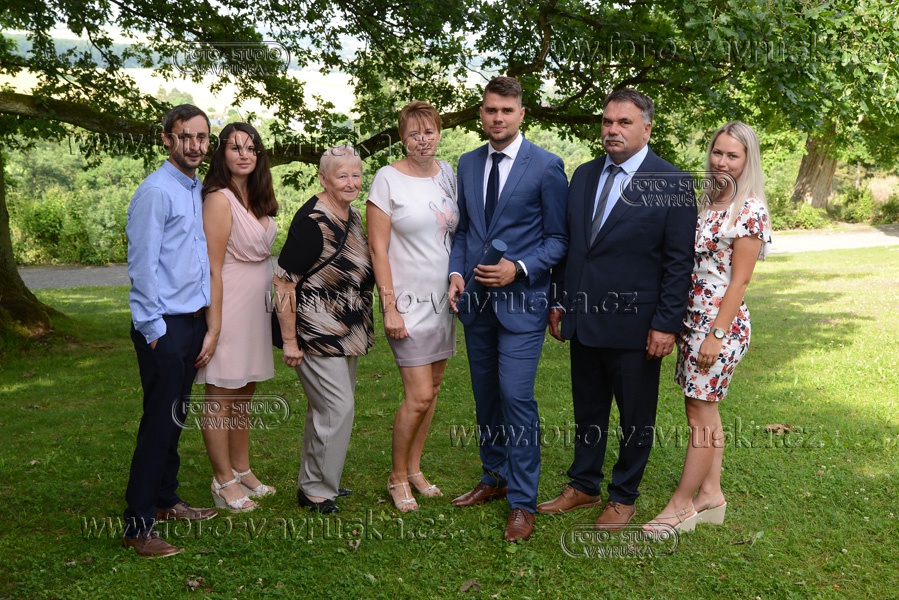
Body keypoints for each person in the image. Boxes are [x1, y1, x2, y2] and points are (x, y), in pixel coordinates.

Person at [539, 89, 696, 531]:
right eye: (607, 122)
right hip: (584, 318)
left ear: (647, 128)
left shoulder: (672, 182)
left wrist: (666, 324)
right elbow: (572, 246)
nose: (612, 130)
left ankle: (624, 496)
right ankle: (583, 485)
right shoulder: (584, 175)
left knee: (635, 417)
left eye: (624, 122)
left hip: (637, 326)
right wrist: (559, 298)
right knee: (588, 409)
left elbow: (678, 262)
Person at [447, 76, 569, 542]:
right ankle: (493, 475)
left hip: (522, 304)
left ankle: (522, 501)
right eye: (490, 110)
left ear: (521, 114)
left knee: (516, 397)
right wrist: (456, 273)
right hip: (475, 304)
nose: (497, 118)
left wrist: (518, 268)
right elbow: (464, 232)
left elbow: (558, 240)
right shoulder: (467, 163)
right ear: (482, 113)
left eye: (506, 110)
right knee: (486, 397)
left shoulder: (546, 166)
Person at [644, 121, 772, 533]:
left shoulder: (749, 210)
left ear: (747, 160)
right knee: (703, 410)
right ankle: (711, 494)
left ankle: (680, 506)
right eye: (718, 152)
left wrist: (716, 336)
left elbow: (740, 281)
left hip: (719, 326)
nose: (722, 161)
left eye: (733, 155)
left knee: (699, 414)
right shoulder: (706, 200)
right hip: (691, 320)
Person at [123, 104, 218, 558]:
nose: (195, 146)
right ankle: (138, 526)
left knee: (175, 417)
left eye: (202, 137)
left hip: (192, 322)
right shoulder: (156, 192)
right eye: (185, 137)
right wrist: (152, 328)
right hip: (164, 327)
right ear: (166, 139)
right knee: (158, 424)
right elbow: (142, 265)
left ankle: (165, 499)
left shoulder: (197, 189)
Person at [367, 101, 459, 512]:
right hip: (406, 303)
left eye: (429, 132)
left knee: (433, 391)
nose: (423, 140)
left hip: (443, 302)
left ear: (439, 133)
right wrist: (389, 307)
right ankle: (396, 476)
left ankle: (415, 468)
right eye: (413, 134)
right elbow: (378, 248)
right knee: (418, 395)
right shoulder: (387, 179)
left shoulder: (448, 174)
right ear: (402, 138)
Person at [273, 144, 374, 515]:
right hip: (317, 332)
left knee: (327, 409)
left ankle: (318, 481)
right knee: (336, 408)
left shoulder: (352, 214)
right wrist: (289, 341)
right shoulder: (312, 222)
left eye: (356, 175)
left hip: (347, 330)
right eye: (341, 175)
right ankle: (316, 489)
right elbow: (283, 282)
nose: (350, 182)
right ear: (323, 178)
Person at [195, 123, 278, 513]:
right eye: (235, 148)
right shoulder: (218, 199)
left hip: (257, 308)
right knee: (221, 395)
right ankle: (222, 479)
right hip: (228, 305)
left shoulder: (257, 198)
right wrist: (214, 326)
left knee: (245, 392)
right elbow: (212, 267)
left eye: (251, 148)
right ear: (222, 154)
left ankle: (242, 469)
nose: (244, 155)